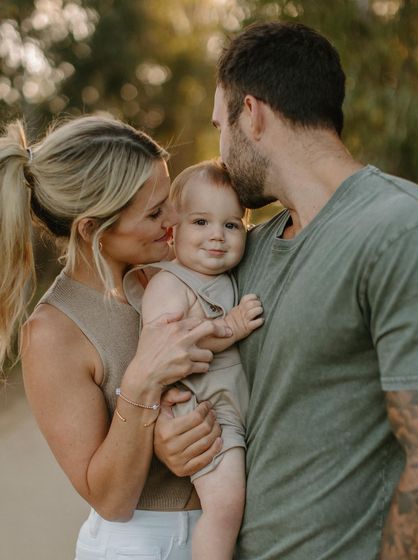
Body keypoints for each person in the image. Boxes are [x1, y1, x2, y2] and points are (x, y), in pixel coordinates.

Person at [153, 22, 418, 559]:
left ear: (251, 115)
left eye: (219, 126)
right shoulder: (246, 250)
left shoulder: (403, 232)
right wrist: (173, 436)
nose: (221, 151)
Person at [0, 115, 230, 560]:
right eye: (154, 212)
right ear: (92, 232)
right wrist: (142, 386)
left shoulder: (178, 269)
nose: (176, 218)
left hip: (223, 533)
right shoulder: (53, 332)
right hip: (144, 546)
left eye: (170, 200)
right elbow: (109, 499)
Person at [124, 160, 263, 559]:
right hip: (203, 411)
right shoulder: (168, 283)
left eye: (232, 225)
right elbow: (169, 345)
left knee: (239, 506)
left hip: (231, 404)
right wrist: (231, 327)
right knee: (224, 509)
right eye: (201, 222)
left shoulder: (225, 278)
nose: (217, 236)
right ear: (173, 229)